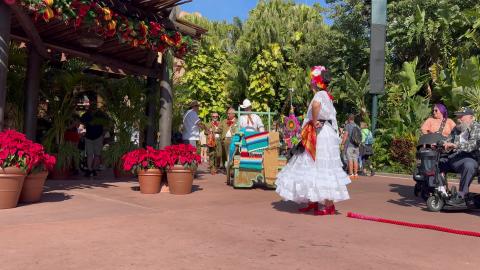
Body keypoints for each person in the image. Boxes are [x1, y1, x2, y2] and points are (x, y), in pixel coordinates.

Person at [275, 66, 350, 216]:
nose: (310, 82)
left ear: (316, 82)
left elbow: (316, 106)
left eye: (311, 79)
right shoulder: (326, 95)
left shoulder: (319, 95)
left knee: (319, 165)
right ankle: (314, 201)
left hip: (319, 133)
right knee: (316, 165)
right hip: (323, 132)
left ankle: (328, 205)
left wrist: (314, 120)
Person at [441, 107, 480, 205]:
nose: (458, 118)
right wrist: (443, 144)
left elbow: (473, 145)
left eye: (461, 116)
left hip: (470, 157)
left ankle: (462, 194)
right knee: (436, 161)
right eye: (457, 116)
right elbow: (448, 140)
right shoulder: (456, 128)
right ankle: (439, 190)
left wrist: (456, 145)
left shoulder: (476, 127)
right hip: (454, 158)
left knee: (469, 165)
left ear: (471, 117)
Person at [80, 101, 109, 177]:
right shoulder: (86, 115)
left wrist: (102, 135)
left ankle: (93, 169)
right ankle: (90, 170)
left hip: (98, 137)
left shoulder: (100, 114)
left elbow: (106, 126)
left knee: (97, 154)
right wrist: (82, 134)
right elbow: (81, 125)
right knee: (90, 154)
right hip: (89, 137)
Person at [342, 114, 360, 180]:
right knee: (355, 159)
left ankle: (351, 174)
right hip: (356, 146)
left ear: (349, 119)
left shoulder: (348, 126)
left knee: (350, 160)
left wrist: (342, 143)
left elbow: (345, 135)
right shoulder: (357, 126)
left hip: (349, 145)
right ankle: (356, 174)